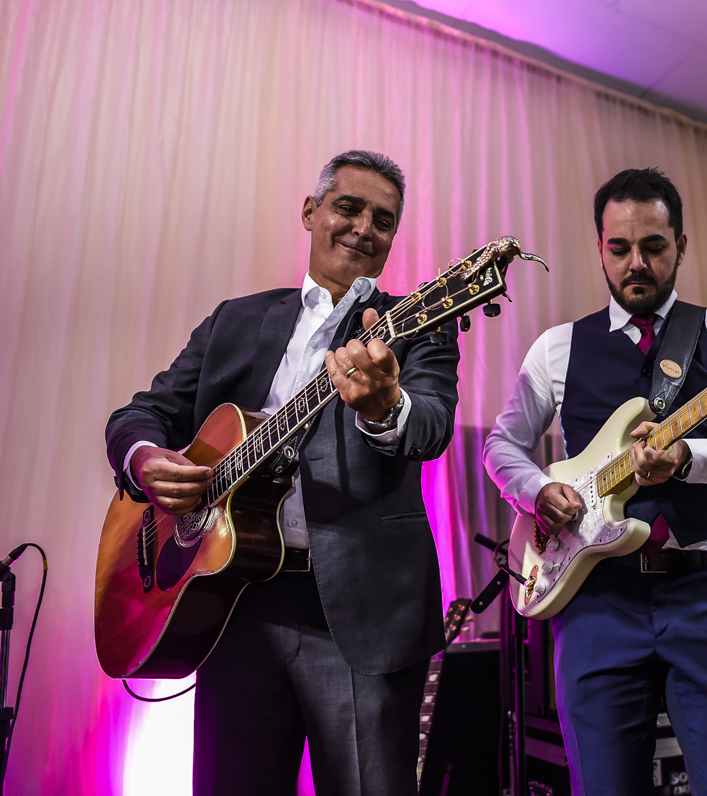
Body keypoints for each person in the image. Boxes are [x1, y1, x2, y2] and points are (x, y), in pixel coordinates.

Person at [105, 150, 460, 796]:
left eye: (383, 220)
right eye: (348, 207)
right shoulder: (234, 321)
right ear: (311, 212)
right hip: (230, 607)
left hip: (362, 616)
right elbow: (143, 413)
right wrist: (148, 461)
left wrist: (386, 407)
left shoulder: (416, 325)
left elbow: (431, 424)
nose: (363, 227)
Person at [484, 167, 707, 795]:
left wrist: (690, 457)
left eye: (654, 246)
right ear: (599, 248)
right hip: (596, 597)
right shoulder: (556, 349)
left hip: (703, 591)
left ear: (681, 244)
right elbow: (502, 445)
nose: (636, 263)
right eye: (619, 247)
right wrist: (539, 491)